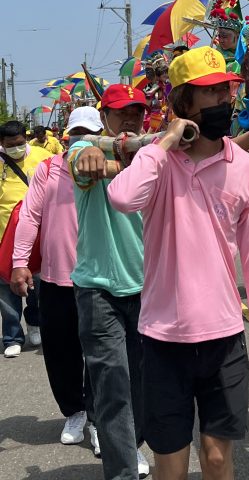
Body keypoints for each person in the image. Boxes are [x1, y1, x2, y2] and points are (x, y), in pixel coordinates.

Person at [106, 46, 249, 480]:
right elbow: (123, 198)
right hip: (162, 338)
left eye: (226, 90)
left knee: (218, 458)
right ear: (184, 104)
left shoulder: (245, 169)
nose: (223, 100)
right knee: (171, 465)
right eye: (210, 93)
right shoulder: (160, 164)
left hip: (222, 337)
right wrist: (163, 141)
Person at [69, 85, 149, 480]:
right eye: (121, 112)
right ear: (104, 116)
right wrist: (92, 152)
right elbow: (84, 159)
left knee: (144, 384)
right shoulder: (84, 149)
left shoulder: (157, 154)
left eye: (137, 110)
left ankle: (131, 445)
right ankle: (122, 471)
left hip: (149, 289)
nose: (130, 118)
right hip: (99, 291)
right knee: (113, 385)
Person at [10, 106, 103, 449]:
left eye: (90, 134)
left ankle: (97, 418)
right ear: (66, 136)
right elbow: (30, 217)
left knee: (98, 354)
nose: (83, 140)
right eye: (77, 133)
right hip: (54, 280)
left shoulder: (109, 170)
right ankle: (74, 411)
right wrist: (20, 262)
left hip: (98, 281)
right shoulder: (48, 170)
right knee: (61, 353)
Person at [0, 120, 49, 356]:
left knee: (37, 287)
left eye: (20, 144)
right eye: (10, 145)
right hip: (3, 237)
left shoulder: (42, 156)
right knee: (6, 291)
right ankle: (12, 337)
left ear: (26, 138)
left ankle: (35, 324)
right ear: (2, 144)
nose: (16, 149)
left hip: (37, 236)